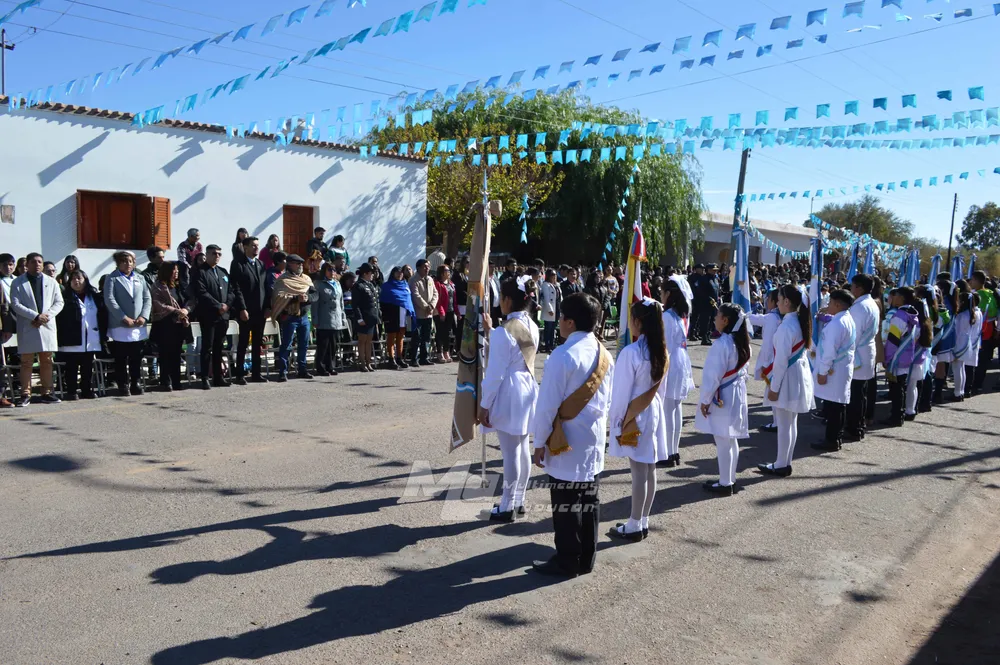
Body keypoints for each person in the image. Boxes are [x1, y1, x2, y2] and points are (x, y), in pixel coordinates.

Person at [531, 293, 614, 578]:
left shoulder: (563, 355)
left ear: (569, 321)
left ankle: (567, 559)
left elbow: (547, 406)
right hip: (592, 436)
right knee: (589, 500)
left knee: (565, 504)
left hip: (565, 437)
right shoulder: (605, 354)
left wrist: (539, 441)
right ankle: (587, 556)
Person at [479, 278, 540, 523]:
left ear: (506, 300)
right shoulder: (531, 325)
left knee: (510, 451)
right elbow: (514, 349)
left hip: (510, 390)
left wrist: (484, 404)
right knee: (522, 447)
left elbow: (495, 373)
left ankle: (506, 506)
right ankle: (519, 499)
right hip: (527, 386)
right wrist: (490, 332)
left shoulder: (506, 331)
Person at [607, 298, 667, 539]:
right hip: (653, 411)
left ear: (639, 322)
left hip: (635, 415)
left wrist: (618, 421)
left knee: (638, 472)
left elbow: (621, 392)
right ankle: (643, 519)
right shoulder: (661, 349)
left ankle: (634, 523)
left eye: (631, 318)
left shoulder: (631, 352)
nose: (629, 323)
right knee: (649, 468)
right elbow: (661, 389)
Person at [695, 303, 751, 495]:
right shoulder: (741, 341)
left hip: (723, 395)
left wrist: (705, 400)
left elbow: (712, 377)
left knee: (722, 439)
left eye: (717, 315)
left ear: (725, 320)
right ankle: (730, 478)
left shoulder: (722, 344)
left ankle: (725, 482)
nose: (714, 318)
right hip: (736, 392)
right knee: (730, 438)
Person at [759, 285, 814, 478]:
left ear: (786, 302)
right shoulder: (799, 322)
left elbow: (781, 362)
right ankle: (785, 461)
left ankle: (781, 464)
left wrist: (774, 388)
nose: (776, 303)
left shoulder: (786, 326)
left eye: (779, 299)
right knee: (791, 422)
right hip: (797, 375)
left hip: (787, 377)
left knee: (784, 424)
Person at [10, 253, 64, 406]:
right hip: (29, 324)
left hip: (46, 325)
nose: (37, 264)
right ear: (27, 264)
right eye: (34, 262)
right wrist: (35, 316)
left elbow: (59, 302)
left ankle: (46, 392)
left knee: (46, 360)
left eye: (40, 261)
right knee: (26, 362)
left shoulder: (51, 282)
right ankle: (25, 394)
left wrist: (46, 316)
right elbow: (15, 304)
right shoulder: (18, 282)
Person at [810, 289, 856, 452]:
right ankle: (835, 437)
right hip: (841, 368)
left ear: (837, 304)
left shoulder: (837, 324)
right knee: (838, 404)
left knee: (835, 406)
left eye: (830, 303)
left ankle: (832, 439)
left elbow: (829, 352)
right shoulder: (846, 318)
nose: (828, 305)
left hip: (833, 370)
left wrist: (822, 372)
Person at [104, 251, 152, 397]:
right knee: (121, 357)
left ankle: (135, 382)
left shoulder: (140, 278)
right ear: (118, 263)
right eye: (124, 261)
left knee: (136, 357)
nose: (128, 264)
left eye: (130, 261)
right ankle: (123, 384)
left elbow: (147, 298)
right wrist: (123, 317)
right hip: (120, 325)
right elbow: (109, 299)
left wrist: (144, 316)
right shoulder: (112, 278)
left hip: (138, 324)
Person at [55, 269, 106, 400]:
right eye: (73, 279)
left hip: (90, 337)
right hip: (71, 337)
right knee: (71, 367)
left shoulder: (93, 296)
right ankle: (71, 391)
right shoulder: (64, 297)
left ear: (85, 280)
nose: (76, 281)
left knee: (87, 367)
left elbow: (102, 315)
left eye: (79, 278)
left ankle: (86, 390)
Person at [884, 287, 932, 424]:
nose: (894, 298)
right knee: (903, 387)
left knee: (896, 389)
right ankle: (903, 412)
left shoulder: (900, 315)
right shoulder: (913, 314)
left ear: (902, 298)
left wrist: (887, 358)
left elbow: (893, 339)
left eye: (897, 295)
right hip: (907, 356)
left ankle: (896, 417)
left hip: (897, 357)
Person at [659, 281, 695, 468]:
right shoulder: (681, 314)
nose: (661, 296)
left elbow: (663, 344)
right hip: (680, 359)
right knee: (675, 408)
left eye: (662, 292)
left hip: (671, 360)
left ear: (669, 294)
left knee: (668, 409)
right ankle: (673, 451)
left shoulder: (667, 316)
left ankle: (667, 453)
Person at [193, 245, 237, 389]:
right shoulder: (200, 272)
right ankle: (205, 377)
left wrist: (227, 306)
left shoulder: (222, 272)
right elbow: (201, 292)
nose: (217, 256)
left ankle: (218, 377)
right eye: (214, 253)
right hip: (209, 316)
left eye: (219, 253)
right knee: (207, 347)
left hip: (223, 316)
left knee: (219, 347)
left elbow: (231, 291)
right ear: (207, 254)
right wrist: (218, 306)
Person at [230, 236, 271, 385]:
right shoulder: (238, 264)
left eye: (257, 246)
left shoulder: (260, 264)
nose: (256, 248)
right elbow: (236, 288)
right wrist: (242, 308)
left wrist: (268, 307)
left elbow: (266, 288)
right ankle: (240, 374)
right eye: (253, 246)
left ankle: (256, 373)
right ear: (245, 247)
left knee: (257, 343)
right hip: (246, 311)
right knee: (243, 343)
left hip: (260, 311)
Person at [271, 254, 316, 382]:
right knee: (286, 345)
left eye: (301, 263)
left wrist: (308, 299)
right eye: (297, 263)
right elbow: (278, 296)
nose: (300, 265)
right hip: (290, 317)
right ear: (289, 264)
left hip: (304, 317)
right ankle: (283, 371)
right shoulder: (283, 280)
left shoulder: (306, 279)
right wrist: (296, 298)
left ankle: (302, 369)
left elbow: (315, 294)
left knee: (304, 345)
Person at [846, 274, 880, 441]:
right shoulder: (870, 303)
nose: (851, 289)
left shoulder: (859, 307)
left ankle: (854, 428)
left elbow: (853, 334)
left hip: (859, 353)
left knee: (856, 394)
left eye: (852, 286)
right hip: (866, 351)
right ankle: (858, 425)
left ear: (858, 288)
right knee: (861, 392)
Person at [150, 261, 192, 392]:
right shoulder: (158, 286)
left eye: (178, 271)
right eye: (174, 270)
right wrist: (175, 310)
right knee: (165, 354)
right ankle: (165, 381)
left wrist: (186, 310)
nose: (177, 273)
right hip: (164, 324)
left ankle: (176, 381)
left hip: (178, 324)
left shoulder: (179, 286)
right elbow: (157, 303)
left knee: (176, 353)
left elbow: (189, 299)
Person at [749, 289, 781, 433]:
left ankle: (777, 422)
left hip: (773, 361)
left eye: (768, 299)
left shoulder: (772, 318)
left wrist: (765, 364)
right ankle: (779, 421)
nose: (766, 302)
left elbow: (768, 344)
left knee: (773, 392)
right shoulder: (781, 316)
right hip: (781, 359)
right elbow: (758, 318)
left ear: (774, 301)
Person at [311, 262, 348, 376]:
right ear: (324, 271)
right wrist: (315, 319)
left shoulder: (337, 283)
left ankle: (330, 366)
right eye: (329, 270)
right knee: (323, 344)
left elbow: (341, 302)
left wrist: (343, 318)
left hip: (336, 317)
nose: (332, 273)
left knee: (333, 344)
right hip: (324, 317)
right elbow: (315, 303)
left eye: (333, 270)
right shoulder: (318, 284)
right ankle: (320, 367)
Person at [379, 266, 414, 370]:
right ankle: (391, 359)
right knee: (391, 337)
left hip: (404, 314)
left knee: (400, 337)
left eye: (401, 273)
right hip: (392, 314)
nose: (400, 274)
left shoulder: (405, 285)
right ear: (393, 273)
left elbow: (408, 300)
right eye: (397, 272)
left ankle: (399, 358)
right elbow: (383, 301)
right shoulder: (386, 286)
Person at [968, 270, 997, 394]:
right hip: (990, 328)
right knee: (984, 359)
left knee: (976, 358)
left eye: (972, 280)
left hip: (978, 330)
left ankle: (972, 383)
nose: (971, 282)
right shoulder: (992, 293)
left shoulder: (976, 295)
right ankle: (978, 383)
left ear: (977, 280)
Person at [952, 291, 982, 401]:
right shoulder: (971, 313)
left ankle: (957, 393)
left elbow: (957, 331)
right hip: (967, 343)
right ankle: (961, 392)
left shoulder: (962, 315)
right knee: (961, 368)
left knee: (957, 368)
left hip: (959, 343)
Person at [349, 263, 380, 372]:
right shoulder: (358, 285)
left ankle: (368, 362)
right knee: (362, 341)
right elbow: (355, 304)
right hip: (363, 318)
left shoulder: (370, 284)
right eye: (371, 273)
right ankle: (362, 363)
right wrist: (359, 318)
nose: (373, 275)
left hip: (371, 317)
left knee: (369, 341)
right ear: (365, 273)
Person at [408, 259, 438, 367]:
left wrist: (432, 306)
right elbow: (416, 296)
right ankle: (413, 358)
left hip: (429, 313)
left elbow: (435, 293)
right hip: (418, 313)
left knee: (426, 336)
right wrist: (426, 307)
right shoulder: (413, 280)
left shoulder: (430, 279)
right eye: (425, 266)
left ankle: (424, 358)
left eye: (428, 266)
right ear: (419, 267)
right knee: (416, 337)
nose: (427, 268)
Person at [433, 264, 457, 363]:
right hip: (440, 312)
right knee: (440, 332)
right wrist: (442, 312)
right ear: (442, 273)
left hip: (450, 310)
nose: (449, 272)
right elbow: (437, 299)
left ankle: (446, 351)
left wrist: (457, 312)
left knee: (447, 332)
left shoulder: (450, 283)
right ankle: (439, 352)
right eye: (447, 271)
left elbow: (454, 299)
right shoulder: (437, 283)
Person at [539, 268, 561, 353]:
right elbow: (547, 298)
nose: (554, 277)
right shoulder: (546, 285)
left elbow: (560, 297)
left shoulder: (557, 285)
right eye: (552, 275)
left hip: (557, 308)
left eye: (555, 275)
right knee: (548, 328)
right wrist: (550, 309)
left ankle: (552, 344)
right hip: (550, 310)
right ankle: (547, 345)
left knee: (553, 328)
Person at [453, 257, 469, 356]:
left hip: (468, 304)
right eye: (467, 262)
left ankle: (466, 348)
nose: (469, 264)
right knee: (461, 328)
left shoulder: (469, 274)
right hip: (461, 304)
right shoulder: (458, 275)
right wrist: (468, 295)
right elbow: (459, 289)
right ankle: (459, 348)